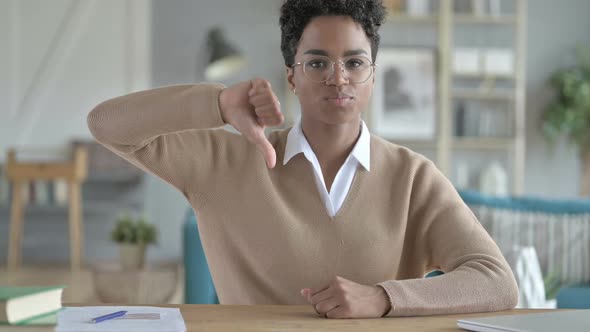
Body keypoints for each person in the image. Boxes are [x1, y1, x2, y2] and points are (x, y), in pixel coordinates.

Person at [87, 0, 518, 319]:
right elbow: (106, 124)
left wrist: (384, 298)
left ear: (372, 74)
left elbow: (497, 282)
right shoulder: (225, 160)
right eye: (317, 62)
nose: (338, 77)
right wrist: (217, 104)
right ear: (291, 75)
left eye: (354, 62)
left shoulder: (413, 178)